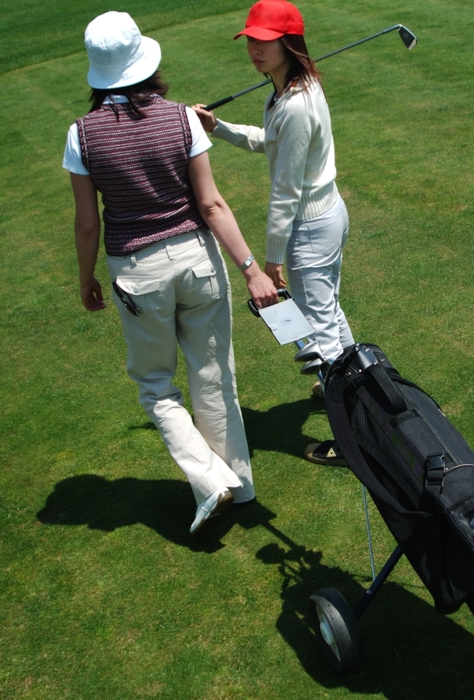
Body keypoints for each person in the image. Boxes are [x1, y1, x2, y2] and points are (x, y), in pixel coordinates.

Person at [62, 11, 278, 534]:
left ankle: (210, 481)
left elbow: (88, 223)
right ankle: (241, 486)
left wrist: (85, 278)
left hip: (137, 273)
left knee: (157, 386)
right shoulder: (181, 118)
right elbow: (212, 205)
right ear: (145, 63)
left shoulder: (81, 135)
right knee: (214, 377)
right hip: (199, 263)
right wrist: (250, 268)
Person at [194, 0, 351, 467]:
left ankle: (354, 440)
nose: (256, 50)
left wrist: (272, 257)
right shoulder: (286, 92)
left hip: (309, 226)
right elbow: (269, 140)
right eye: (252, 42)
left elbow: (285, 191)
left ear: (288, 42)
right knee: (330, 317)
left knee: (320, 331)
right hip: (322, 218)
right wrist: (218, 128)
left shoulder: (297, 104)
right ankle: (351, 386)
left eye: (266, 41)